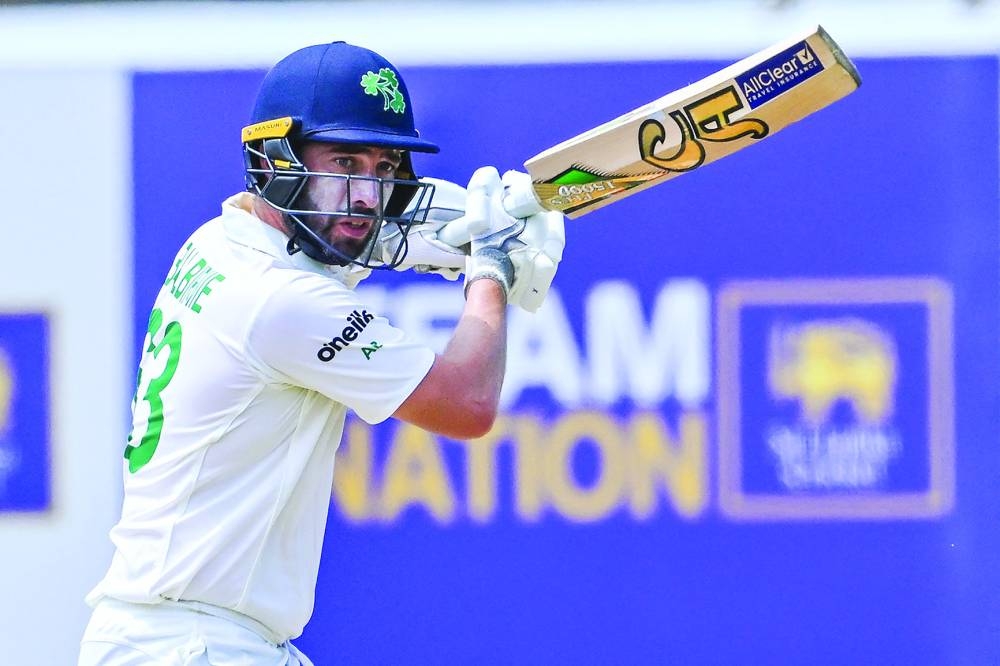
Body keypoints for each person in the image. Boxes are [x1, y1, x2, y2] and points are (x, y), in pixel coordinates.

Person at [78, 41, 564, 665]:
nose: (367, 195)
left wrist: (439, 241)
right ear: (275, 160)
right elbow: (465, 402)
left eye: (385, 170)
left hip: (173, 637)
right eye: (344, 162)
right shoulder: (280, 303)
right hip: (198, 647)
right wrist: (488, 268)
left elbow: (330, 255)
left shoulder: (222, 241)